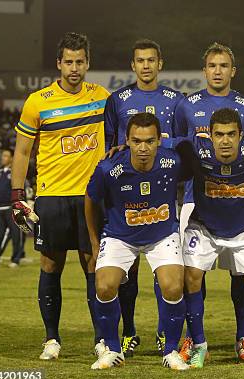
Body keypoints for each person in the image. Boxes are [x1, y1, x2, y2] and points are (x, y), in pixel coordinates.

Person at [11, 32, 109, 360]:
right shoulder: (38, 101)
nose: (74, 68)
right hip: (51, 196)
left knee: (93, 264)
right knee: (51, 264)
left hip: (89, 197)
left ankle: (102, 339)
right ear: (58, 63)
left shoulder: (102, 97)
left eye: (80, 61)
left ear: (88, 63)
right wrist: (17, 195)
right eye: (68, 61)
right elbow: (22, 152)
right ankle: (51, 340)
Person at [172, 42, 244, 362]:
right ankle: (195, 340)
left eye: (224, 65)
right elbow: (179, 152)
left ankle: (243, 336)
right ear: (204, 70)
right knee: (192, 274)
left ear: (232, 71)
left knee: (242, 274)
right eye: (213, 65)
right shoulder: (186, 106)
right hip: (196, 204)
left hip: (236, 205)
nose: (218, 71)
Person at [86, 113, 190, 370]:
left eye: (149, 141)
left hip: (162, 235)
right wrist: (93, 241)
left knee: (173, 286)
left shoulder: (173, 161)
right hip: (119, 236)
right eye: (137, 141)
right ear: (127, 141)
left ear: (159, 141)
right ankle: (111, 348)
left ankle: (170, 350)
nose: (143, 148)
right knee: (104, 286)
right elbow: (89, 200)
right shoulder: (109, 168)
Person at [104, 38, 185, 357]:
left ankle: (166, 334)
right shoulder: (118, 99)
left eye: (152, 60)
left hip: (164, 191)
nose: (146, 65)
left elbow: (184, 142)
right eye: (140, 60)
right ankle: (129, 332)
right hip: (126, 194)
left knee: (162, 263)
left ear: (160, 63)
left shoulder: (175, 100)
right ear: (133, 65)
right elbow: (111, 145)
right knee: (127, 270)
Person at [178, 108, 244, 368]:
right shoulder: (195, 148)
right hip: (204, 228)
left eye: (231, 134)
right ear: (208, 135)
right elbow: (159, 143)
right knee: (191, 276)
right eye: (219, 134)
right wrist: (122, 148)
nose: (225, 140)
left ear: (241, 135)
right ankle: (198, 345)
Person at [0, 149, 23, 268]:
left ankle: (15, 259)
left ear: (11, 158)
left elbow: (18, 190)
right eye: (2, 156)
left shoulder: (15, 173)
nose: (3, 158)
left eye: (6, 156)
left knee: (15, 235)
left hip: (10, 208)